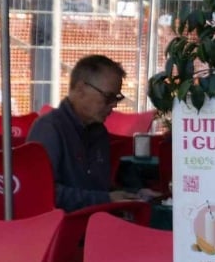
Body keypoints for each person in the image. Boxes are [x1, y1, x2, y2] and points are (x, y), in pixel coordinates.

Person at [28, 54, 153, 210]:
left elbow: (96, 188)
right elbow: (41, 192)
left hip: (93, 219)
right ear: (81, 90)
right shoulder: (49, 129)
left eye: (117, 98)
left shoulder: (98, 132)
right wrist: (105, 199)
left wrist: (134, 194)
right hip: (63, 222)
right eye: (108, 97)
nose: (114, 105)